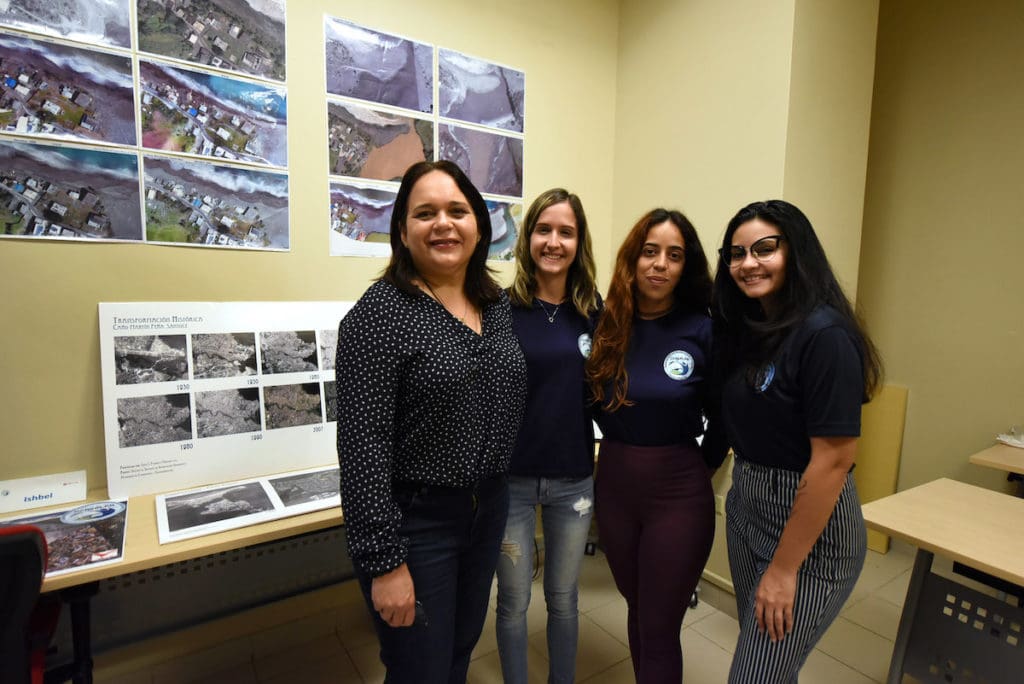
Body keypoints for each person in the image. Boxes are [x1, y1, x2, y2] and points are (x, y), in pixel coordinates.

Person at [334, 160, 527, 683]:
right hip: (417, 524)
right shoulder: (380, 315)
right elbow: (362, 446)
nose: (443, 223)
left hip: (486, 508)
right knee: (419, 668)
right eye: (425, 213)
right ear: (402, 231)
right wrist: (384, 563)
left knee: (459, 652)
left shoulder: (495, 305)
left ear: (479, 226)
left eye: (457, 211)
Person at [712, 200, 882, 683]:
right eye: (737, 253)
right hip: (747, 505)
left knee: (754, 675)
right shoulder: (753, 328)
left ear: (797, 251)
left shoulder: (825, 334)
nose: (748, 264)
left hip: (810, 532)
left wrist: (786, 570)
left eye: (765, 249)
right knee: (767, 660)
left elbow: (833, 462)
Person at [586, 208, 728, 682]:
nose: (660, 264)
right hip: (616, 488)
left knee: (660, 623)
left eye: (674, 255)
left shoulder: (702, 330)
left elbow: (724, 418)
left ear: (685, 267)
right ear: (633, 258)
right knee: (637, 607)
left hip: (678, 495)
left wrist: (695, 469)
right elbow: (588, 402)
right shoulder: (607, 326)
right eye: (650, 252)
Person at [496, 188, 601, 684]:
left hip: (573, 481)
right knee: (513, 601)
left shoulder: (595, 314)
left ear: (579, 243)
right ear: (527, 237)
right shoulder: (499, 310)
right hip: (510, 481)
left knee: (563, 599)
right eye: (544, 229)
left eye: (566, 232)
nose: (554, 241)